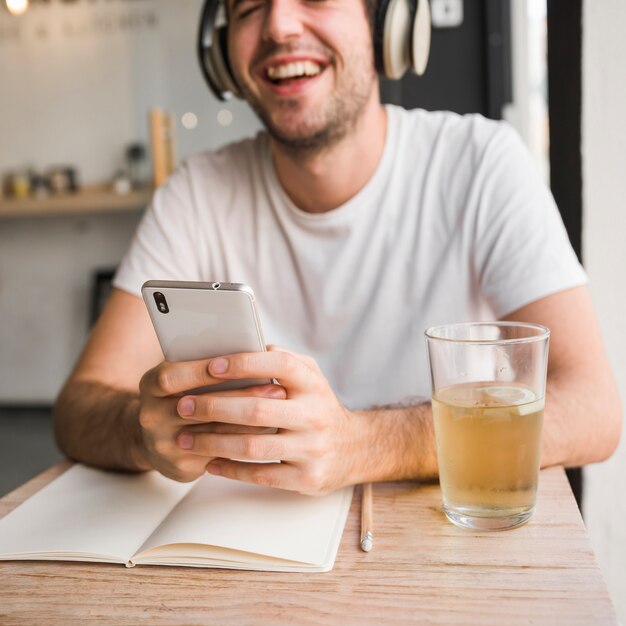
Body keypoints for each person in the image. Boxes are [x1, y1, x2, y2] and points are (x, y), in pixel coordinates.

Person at [54, 0, 621, 495]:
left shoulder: (483, 165)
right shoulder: (195, 193)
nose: (278, 25)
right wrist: (145, 433)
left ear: (387, 27)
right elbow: (80, 405)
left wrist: (363, 444)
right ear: (222, 54)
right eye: (249, 7)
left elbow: (593, 409)